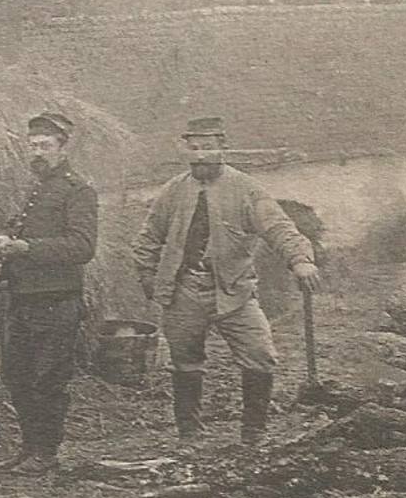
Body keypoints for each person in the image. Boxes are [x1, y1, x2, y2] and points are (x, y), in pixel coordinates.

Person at [132, 116, 321, 448]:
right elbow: (148, 237)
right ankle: (189, 435)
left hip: (234, 289)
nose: (201, 156)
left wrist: (301, 260)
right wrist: (148, 275)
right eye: (194, 148)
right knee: (184, 360)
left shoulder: (245, 189)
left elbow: (279, 228)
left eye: (208, 148)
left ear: (223, 148)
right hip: (184, 287)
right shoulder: (173, 190)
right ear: (185, 151)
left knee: (260, 353)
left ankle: (253, 433)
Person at [0, 111, 99, 475]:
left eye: (45, 146)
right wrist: (5, 244)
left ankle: (47, 451)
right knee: (16, 375)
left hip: (57, 300)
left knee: (48, 378)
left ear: (62, 148)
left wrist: (25, 248)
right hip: (22, 297)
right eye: (32, 145)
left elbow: (81, 247)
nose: (37, 152)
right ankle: (29, 446)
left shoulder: (77, 191)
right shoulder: (32, 190)